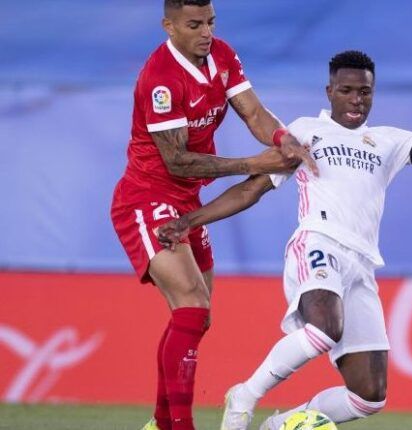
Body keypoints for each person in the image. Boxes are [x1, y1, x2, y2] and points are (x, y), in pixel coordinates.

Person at [157, 50, 412, 430]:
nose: (356, 100)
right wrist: (191, 220)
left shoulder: (387, 140)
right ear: (330, 91)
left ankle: (282, 425)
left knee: (369, 396)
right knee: (323, 330)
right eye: (347, 91)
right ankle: (245, 397)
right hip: (318, 241)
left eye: (365, 92)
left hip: (361, 263)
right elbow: (252, 189)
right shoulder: (304, 132)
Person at [109, 1, 317, 429]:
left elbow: (254, 113)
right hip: (147, 198)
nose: (205, 32)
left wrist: (284, 139)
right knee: (191, 302)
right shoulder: (160, 80)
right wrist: (254, 164)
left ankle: (160, 423)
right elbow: (178, 162)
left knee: (197, 316)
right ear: (169, 26)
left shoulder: (221, 54)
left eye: (210, 22)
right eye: (193, 24)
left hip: (186, 201)